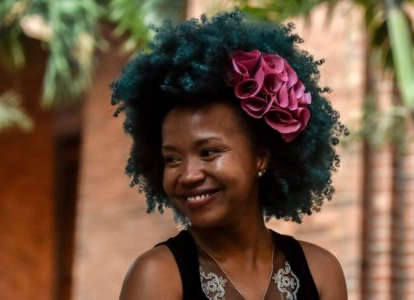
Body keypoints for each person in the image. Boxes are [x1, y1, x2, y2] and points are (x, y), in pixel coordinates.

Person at [112, 10, 348, 300]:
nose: (188, 175)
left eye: (208, 152)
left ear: (261, 157)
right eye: (172, 159)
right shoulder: (157, 275)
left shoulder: (321, 272)